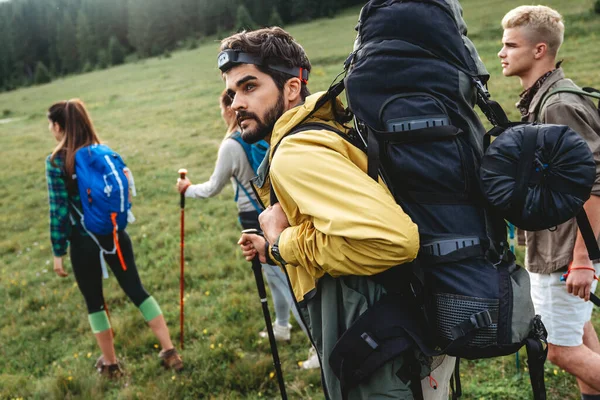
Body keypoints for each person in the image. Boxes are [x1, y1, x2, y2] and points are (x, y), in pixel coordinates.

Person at [229, 27, 455, 399]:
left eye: (249, 87)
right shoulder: (324, 129)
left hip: (378, 349)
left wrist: (283, 241)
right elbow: (340, 232)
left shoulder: (296, 152)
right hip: (399, 330)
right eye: (233, 92)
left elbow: (393, 241)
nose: (237, 102)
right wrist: (272, 249)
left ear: (290, 89)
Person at [176, 90, 319, 369]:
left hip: (253, 221)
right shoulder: (264, 135)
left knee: (287, 285)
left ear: (227, 110)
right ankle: (281, 327)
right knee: (277, 280)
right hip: (276, 214)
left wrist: (187, 189)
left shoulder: (231, 145)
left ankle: (318, 347)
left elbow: (212, 188)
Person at [499, 6, 600, 398]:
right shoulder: (544, 98)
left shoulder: (556, 105)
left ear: (540, 50)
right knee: (579, 334)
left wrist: (580, 259)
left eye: (510, 44)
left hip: (566, 251)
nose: (501, 53)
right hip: (561, 248)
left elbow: (593, 184)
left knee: (560, 350)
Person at [45, 99, 183, 378]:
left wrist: (58, 252)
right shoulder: (104, 152)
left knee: (94, 302)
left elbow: (59, 210)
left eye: (50, 124)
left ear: (59, 127)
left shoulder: (56, 162)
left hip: (83, 243)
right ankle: (170, 352)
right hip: (115, 234)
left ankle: (110, 365)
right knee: (137, 290)